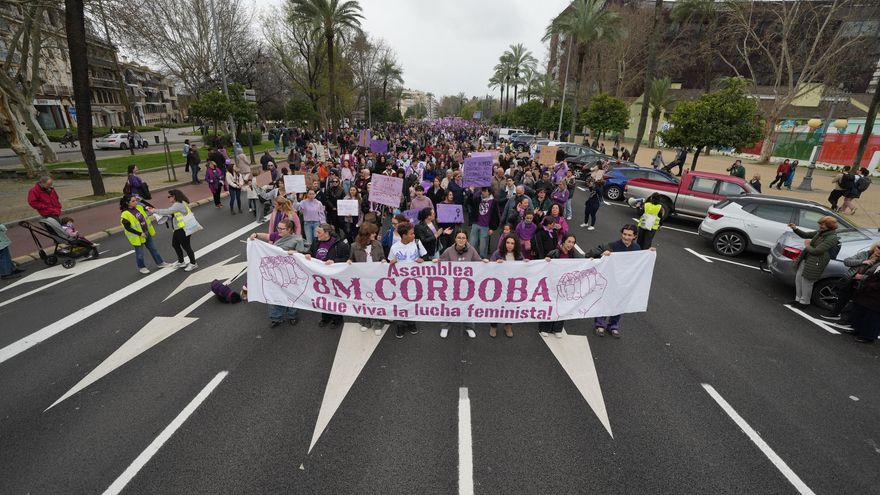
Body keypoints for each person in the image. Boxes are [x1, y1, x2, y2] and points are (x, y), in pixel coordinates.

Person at [588, 224, 653, 338]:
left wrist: (649, 253)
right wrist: (602, 254)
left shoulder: (637, 248)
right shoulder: (612, 245)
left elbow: (638, 263)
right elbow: (591, 255)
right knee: (605, 300)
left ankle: (613, 325)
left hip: (625, 282)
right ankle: (600, 324)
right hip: (610, 280)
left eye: (629, 235)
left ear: (634, 236)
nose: (626, 237)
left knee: (620, 302)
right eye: (624, 234)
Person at [249, 218, 302, 327]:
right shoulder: (276, 236)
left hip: (289, 273)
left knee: (291, 295)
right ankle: (276, 318)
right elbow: (267, 236)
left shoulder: (297, 240)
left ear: (290, 230)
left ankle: (292, 316)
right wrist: (256, 234)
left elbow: (304, 255)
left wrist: (295, 252)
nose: (279, 230)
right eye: (278, 228)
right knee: (273, 294)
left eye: (282, 229)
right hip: (274, 272)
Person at [436, 228, 486, 339]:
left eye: (463, 238)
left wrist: (484, 262)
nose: (461, 240)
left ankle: (469, 327)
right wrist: (436, 262)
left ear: (466, 239)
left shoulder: (472, 250)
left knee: (468, 307)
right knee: (448, 306)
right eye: (459, 237)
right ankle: (445, 326)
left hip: (466, 286)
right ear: (455, 239)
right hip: (451, 286)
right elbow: (441, 263)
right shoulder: (448, 251)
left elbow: (478, 262)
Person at [787, 216, 840, 307]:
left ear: (830, 226)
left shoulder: (832, 237)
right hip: (806, 259)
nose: (820, 226)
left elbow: (817, 251)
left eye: (822, 224)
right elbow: (805, 235)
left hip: (816, 262)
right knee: (799, 280)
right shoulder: (820, 232)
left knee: (807, 282)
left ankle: (804, 302)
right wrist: (795, 228)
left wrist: (807, 245)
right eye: (820, 223)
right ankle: (798, 299)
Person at [821, 241, 880, 321]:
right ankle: (834, 314)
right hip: (849, 280)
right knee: (842, 298)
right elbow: (847, 261)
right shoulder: (864, 254)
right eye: (879, 248)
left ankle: (848, 321)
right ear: (875, 247)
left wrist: (861, 277)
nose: (879, 251)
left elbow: (876, 278)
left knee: (855, 304)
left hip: (862, 285)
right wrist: (862, 262)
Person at [539, 233, 583, 339]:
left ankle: (557, 329)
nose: (571, 244)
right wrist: (546, 260)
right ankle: (544, 328)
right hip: (552, 284)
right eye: (569, 241)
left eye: (573, 242)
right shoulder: (554, 253)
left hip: (566, 286)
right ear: (563, 242)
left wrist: (592, 259)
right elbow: (543, 266)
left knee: (563, 306)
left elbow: (584, 261)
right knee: (550, 305)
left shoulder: (574, 255)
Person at [306, 223, 350, 328]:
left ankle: (337, 320)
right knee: (322, 297)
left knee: (334, 298)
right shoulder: (316, 242)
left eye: (319, 232)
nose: (316, 235)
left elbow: (347, 259)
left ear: (326, 233)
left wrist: (335, 261)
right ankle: (325, 318)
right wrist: (307, 254)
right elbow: (311, 252)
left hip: (334, 278)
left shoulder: (340, 245)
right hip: (320, 277)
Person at [388, 222, 426, 339]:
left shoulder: (416, 243)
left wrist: (421, 260)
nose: (414, 235)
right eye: (411, 234)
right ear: (404, 235)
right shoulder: (394, 247)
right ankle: (400, 325)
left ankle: (411, 322)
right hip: (400, 282)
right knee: (400, 302)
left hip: (415, 281)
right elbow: (390, 262)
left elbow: (424, 257)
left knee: (413, 301)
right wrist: (392, 263)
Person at [348, 222, 387, 335]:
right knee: (363, 301)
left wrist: (383, 261)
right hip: (362, 280)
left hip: (376, 279)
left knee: (377, 301)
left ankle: (378, 323)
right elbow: (351, 259)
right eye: (372, 233)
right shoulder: (354, 246)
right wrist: (349, 261)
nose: (375, 235)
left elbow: (382, 257)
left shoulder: (378, 245)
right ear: (365, 235)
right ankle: (365, 322)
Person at [147, 189, 198, 271]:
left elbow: (167, 211)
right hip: (179, 228)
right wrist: (169, 217)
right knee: (175, 244)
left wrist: (154, 210)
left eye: (169, 196)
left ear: (174, 196)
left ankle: (193, 263)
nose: (168, 198)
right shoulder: (181, 202)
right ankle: (181, 262)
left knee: (186, 246)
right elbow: (175, 214)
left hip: (183, 229)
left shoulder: (178, 204)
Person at [119, 194, 169, 274]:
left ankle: (160, 263)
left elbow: (151, 207)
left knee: (153, 249)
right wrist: (139, 233)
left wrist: (141, 201)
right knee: (140, 253)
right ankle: (142, 267)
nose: (135, 202)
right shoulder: (125, 214)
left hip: (146, 232)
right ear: (127, 203)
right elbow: (127, 228)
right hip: (137, 236)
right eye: (133, 201)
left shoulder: (139, 207)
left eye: (136, 200)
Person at [489, 233, 524, 338]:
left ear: (515, 245)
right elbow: (489, 268)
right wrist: (495, 264)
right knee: (496, 306)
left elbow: (523, 269)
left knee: (510, 307)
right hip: (498, 286)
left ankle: (508, 326)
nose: (510, 245)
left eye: (512, 243)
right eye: (508, 243)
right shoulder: (497, 254)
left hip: (512, 287)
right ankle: (493, 326)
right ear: (504, 243)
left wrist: (527, 264)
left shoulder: (519, 255)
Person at [845, 263, 880, 343]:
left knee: (873, 317)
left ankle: (868, 337)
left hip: (876, 295)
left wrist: (872, 285)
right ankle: (858, 329)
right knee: (862, 312)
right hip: (870, 293)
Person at [468, 187, 500, 258]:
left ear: (489, 192)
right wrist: (471, 192)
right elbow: (469, 202)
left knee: (483, 247)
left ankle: (482, 260)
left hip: (485, 226)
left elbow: (496, 216)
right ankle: (470, 258)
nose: (482, 192)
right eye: (482, 191)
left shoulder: (494, 202)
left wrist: (492, 228)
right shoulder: (478, 199)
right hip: (476, 224)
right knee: (472, 244)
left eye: (484, 191)